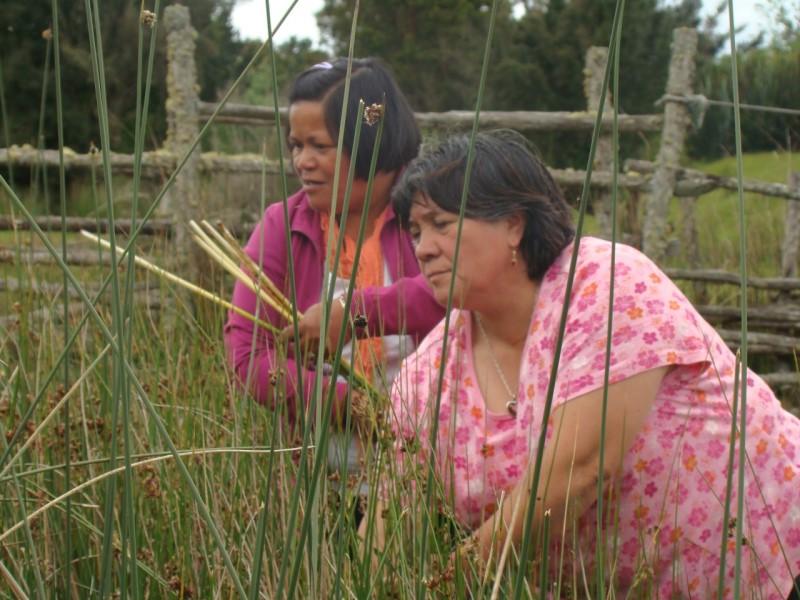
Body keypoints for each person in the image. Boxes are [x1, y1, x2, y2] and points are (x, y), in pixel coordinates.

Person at [378, 130, 800, 598]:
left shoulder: (605, 285)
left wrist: (448, 586)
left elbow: (582, 467)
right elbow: (393, 512)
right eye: (416, 232)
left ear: (513, 224)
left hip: (774, 560)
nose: (423, 248)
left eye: (440, 223)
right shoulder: (429, 374)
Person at [223, 58, 444, 425]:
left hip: (426, 462)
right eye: (296, 145)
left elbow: (457, 295)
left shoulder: (436, 209)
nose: (302, 161)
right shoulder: (283, 225)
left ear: (372, 142)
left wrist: (353, 313)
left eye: (320, 147)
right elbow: (248, 356)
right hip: (313, 470)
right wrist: (359, 410)